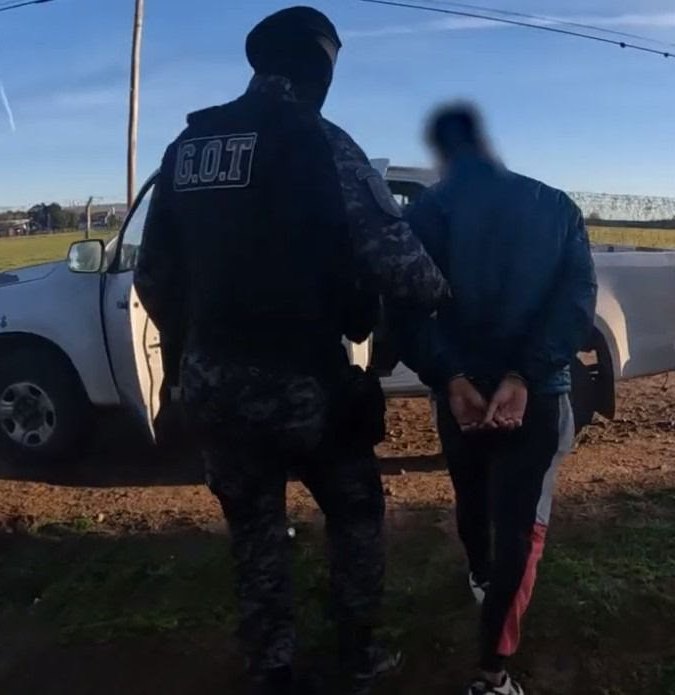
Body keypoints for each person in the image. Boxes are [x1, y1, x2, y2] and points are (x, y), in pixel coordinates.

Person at [133, 7, 449, 694]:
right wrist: (441, 293)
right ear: (320, 72)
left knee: (254, 527)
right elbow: (404, 268)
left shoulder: (188, 148)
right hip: (304, 383)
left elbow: (152, 276)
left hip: (213, 382)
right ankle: (357, 653)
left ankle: (271, 667)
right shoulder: (322, 143)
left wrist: (200, 342)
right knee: (355, 512)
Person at [396, 104, 598, 695]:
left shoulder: (425, 214)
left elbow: (404, 308)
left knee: (470, 494)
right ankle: (492, 673)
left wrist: (452, 378)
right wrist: (524, 376)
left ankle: (480, 576)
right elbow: (575, 307)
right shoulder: (554, 206)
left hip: (460, 400)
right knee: (518, 523)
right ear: (486, 142)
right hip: (534, 398)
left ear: (441, 154)